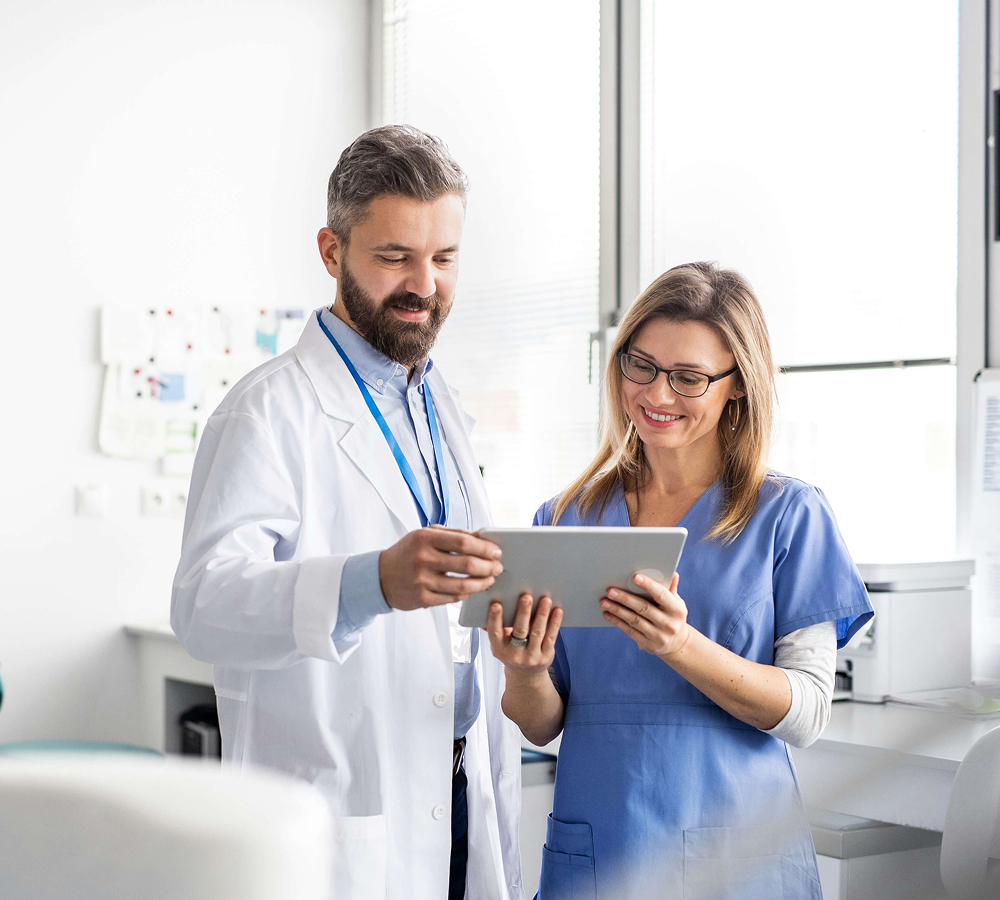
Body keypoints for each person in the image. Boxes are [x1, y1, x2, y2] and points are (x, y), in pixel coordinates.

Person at [172, 125, 525, 900]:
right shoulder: (267, 412)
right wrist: (373, 583)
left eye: (444, 258)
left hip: (461, 792)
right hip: (343, 823)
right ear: (333, 253)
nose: (423, 284)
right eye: (394, 256)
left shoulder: (444, 410)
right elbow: (203, 606)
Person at [487, 262, 875, 900]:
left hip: (740, 858)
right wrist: (525, 671)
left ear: (739, 386)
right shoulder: (563, 520)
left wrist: (679, 644)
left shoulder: (788, 515)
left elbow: (806, 713)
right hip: (600, 853)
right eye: (641, 365)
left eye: (689, 377)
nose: (657, 395)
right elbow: (541, 725)